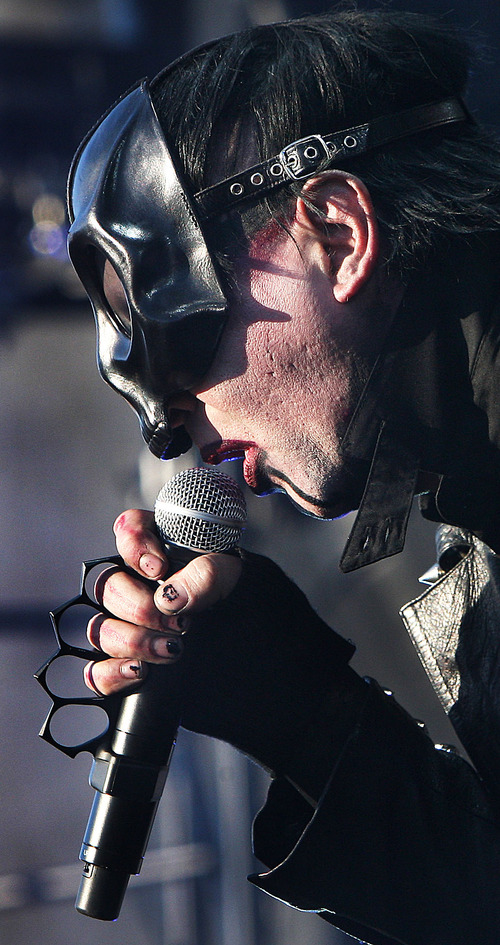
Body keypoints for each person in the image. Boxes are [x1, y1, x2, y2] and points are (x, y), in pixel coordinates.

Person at [66, 9, 500, 944]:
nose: (169, 422)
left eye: (182, 328)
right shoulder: (473, 476)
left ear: (339, 236)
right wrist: (298, 706)